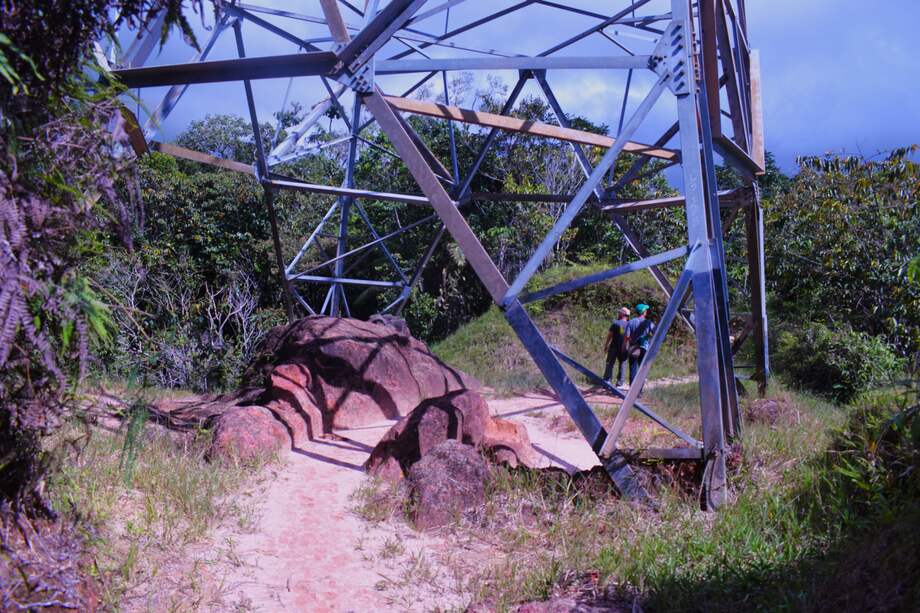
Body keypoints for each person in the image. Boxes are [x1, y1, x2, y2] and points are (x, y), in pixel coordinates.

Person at [625, 303, 656, 387]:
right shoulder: (649, 322)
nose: (646, 311)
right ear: (643, 312)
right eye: (646, 310)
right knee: (642, 370)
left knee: (632, 368)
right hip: (644, 347)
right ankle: (639, 391)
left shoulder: (631, 322)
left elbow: (627, 337)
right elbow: (655, 333)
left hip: (633, 347)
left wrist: (625, 346)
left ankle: (631, 390)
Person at [603, 307, 630, 387]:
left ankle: (607, 380)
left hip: (614, 347)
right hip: (624, 347)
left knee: (610, 363)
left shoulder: (616, 323)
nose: (618, 314)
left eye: (619, 312)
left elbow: (610, 335)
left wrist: (606, 345)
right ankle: (620, 382)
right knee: (622, 364)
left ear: (622, 314)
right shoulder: (629, 324)